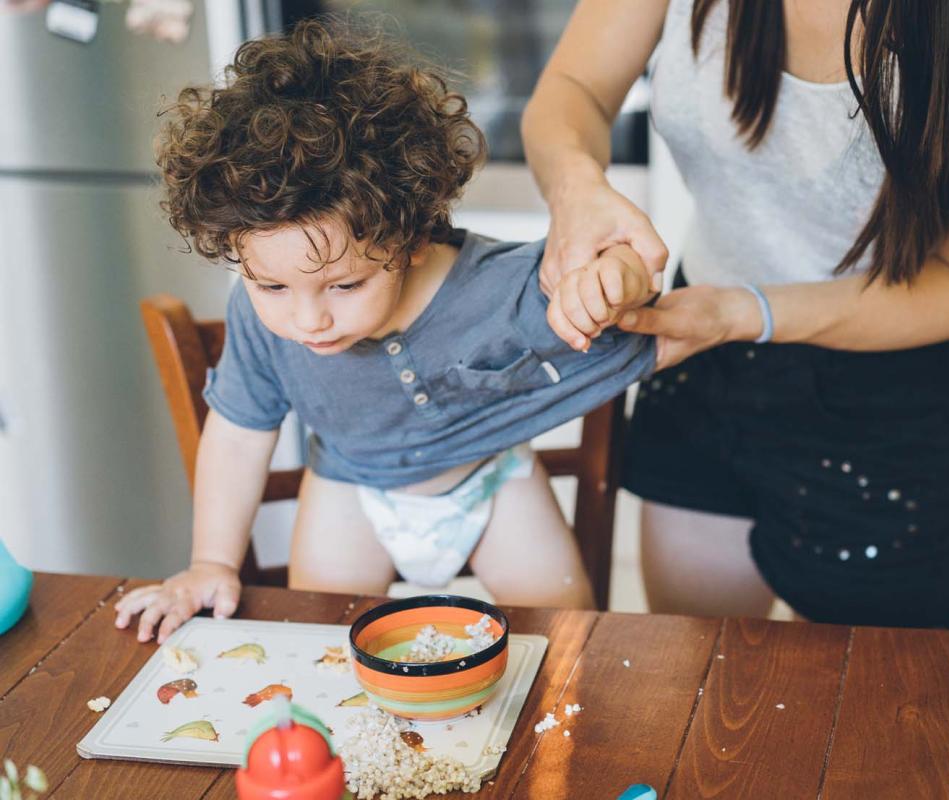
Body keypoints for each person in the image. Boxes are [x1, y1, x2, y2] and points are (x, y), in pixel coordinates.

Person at [521, 0, 949, 627]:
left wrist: (746, 311)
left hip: (889, 393)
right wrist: (576, 188)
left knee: (875, 708)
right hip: (703, 354)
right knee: (698, 681)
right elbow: (574, 90)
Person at [115, 19, 657, 644]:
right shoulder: (257, 316)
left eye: (344, 286)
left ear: (414, 238)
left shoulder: (498, 286)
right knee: (320, 641)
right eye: (273, 287)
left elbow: (615, 277)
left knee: (567, 640)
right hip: (349, 490)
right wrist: (211, 563)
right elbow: (238, 436)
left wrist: (616, 275)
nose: (308, 319)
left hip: (490, 481)